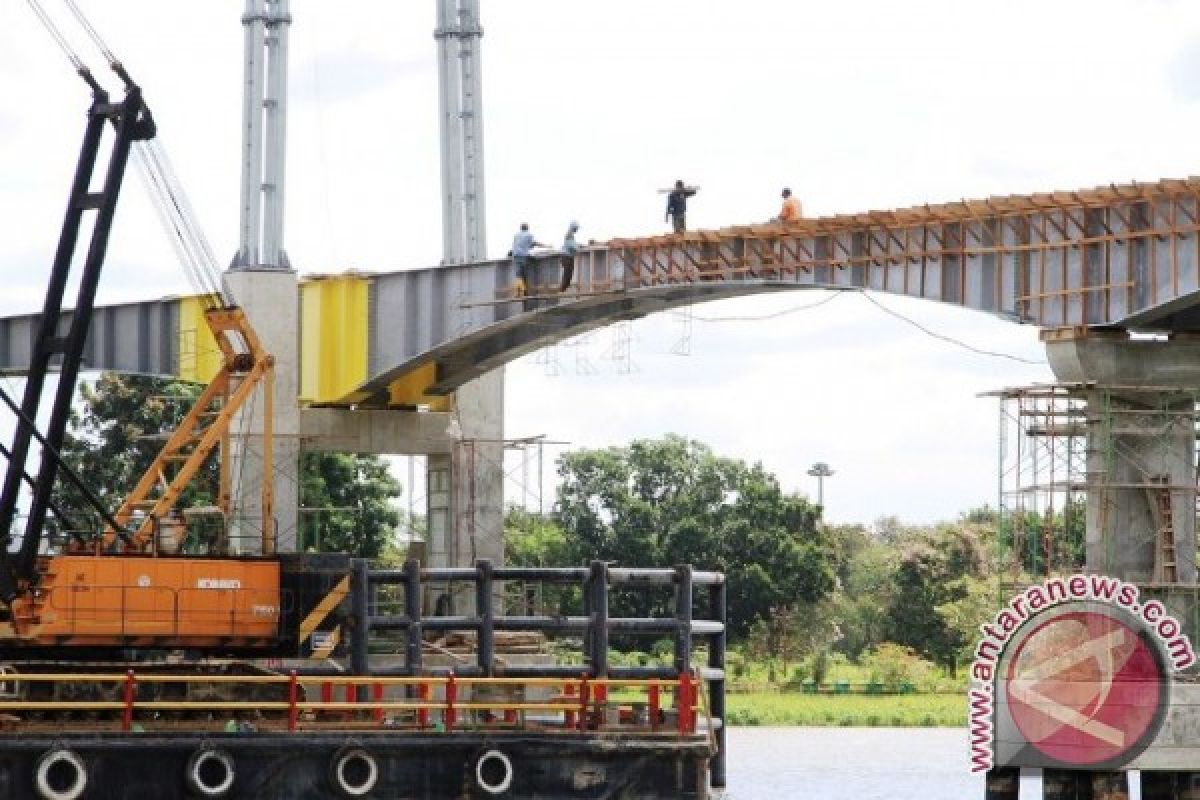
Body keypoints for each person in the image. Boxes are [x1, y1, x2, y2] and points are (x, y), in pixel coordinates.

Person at [510, 223, 544, 297]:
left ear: (521, 228)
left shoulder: (516, 235)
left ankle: (518, 293)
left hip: (515, 256)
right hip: (523, 256)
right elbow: (533, 244)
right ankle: (524, 292)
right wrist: (545, 245)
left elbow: (515, 245)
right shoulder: (529, 235)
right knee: (524, 275)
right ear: (527, 228)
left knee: (518, 275)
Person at [560, 220, 580, 292]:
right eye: (576, 228)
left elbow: (573, 244)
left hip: (568, 257)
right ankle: (562, 290)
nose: (577, 230)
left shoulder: (570, 234)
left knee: (569, 274)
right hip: (566, 257)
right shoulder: (569, 235)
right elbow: (572, 246)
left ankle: (564, 289)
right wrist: (578, 248)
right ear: (573, 227)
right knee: (567, 274)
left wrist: (578, 246)